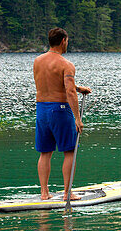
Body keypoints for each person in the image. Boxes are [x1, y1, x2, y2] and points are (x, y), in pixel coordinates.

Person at [34, 27, 91, 199]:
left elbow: (52, 83)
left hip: (42, 110)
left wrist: (78, 87)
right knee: (69, 151)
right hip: (59, 110)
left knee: (45, 152)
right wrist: (78, 119)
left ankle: (44, 193)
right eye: (68, 41)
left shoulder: (37, 61)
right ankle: (67, 193)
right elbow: (69, 92)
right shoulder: (66, 64)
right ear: (63, 41)